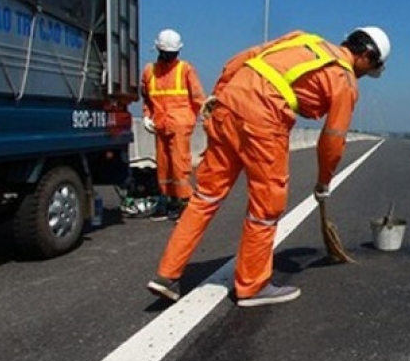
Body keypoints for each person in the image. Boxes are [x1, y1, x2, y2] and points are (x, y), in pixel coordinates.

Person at [146, 26, 391, 307]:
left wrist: (220, 95)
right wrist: (324, 182)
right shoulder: (345, 81)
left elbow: (244, 58)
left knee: (205, 197)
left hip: (229, 106)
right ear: (367, 56)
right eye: (369, 68)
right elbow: (332, 141)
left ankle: (167, 275)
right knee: (266, 208)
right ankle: (252, 286)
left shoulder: (304, 39)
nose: (364, 75)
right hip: (264, 119)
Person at [140, 29, 206, 221]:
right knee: (163, 166)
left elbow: (198, 98)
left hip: (180, 125)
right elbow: (147, 98)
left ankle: (184, 202)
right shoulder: (149, 71)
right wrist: (146, 116)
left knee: (179, 165)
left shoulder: (185, 69)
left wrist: (208, 118)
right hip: (160, 124)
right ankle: (167, 200)